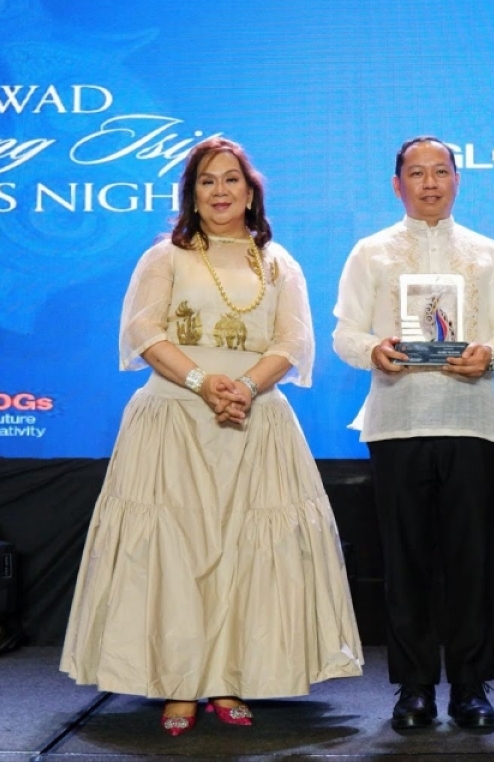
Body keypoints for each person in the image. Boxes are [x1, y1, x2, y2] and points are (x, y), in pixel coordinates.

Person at [60, 137, 363, 736]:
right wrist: (204, 383)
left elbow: (292, 343)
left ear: (251, 193)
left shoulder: (278, 261)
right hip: (173, 420)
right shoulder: (164, 258)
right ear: (190, 195)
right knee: (175, 553)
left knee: (243, 557)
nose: (220, 191)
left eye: (231, 180)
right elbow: (144, 333)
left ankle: (227, 679)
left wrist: (244, 389)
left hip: (253, 424)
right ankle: (178, 685)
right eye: (207, 181)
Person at [332, 136, 494, 731]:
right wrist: (376, 350)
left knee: (471, 562)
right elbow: (344, 335)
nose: (430, 182)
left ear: (457, 179)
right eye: (416, 173)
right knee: (406, 561)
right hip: (396, 424)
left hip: (471, 423)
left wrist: (489, 353)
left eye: (440, 171)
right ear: (398, 185)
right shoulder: (371, 252)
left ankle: (471, 688)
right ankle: (413, 687)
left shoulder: (485, 251)